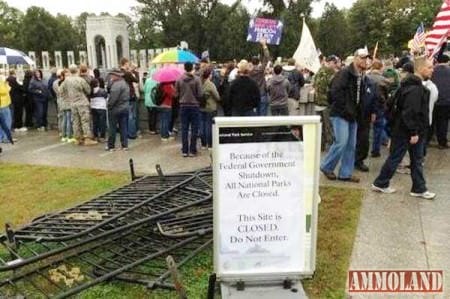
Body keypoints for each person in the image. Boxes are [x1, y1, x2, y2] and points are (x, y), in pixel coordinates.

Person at [372, 56, 436, 200]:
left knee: (414, 159)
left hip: (407, 129)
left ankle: (418, 187)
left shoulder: (409, 85)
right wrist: (414, 132)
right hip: (408, 131)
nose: (432, 70)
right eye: (430, 67)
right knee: (399, 158)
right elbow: (410, 112)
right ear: (420, 69)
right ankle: (381, 183)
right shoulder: (415, 89)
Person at [320, 48, 371, 183]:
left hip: (353, 115)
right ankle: (327, 166)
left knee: (350, 145)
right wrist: (346, 109)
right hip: (341, 114)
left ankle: (345, 174)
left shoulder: (362, 76)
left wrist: (359, 112)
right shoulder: (344, 73)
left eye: (366, 58)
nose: (365, 60)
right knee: (341, 142)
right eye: (362, 57)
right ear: (355, 58)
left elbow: (360, 96)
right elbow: (335, 93)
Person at [60, 64, 97, 146]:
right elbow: (88, 90)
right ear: (77, 70)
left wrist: (69, 97)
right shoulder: (80, 80)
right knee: (85, 120)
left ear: (69, 70)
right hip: (82, 102)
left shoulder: (66, 80)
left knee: (76, 121)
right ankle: (87, 138)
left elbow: (61, 90)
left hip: (73, 103)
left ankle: (78, 138)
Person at [175, 62, 203, 157]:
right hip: (194, 106)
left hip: (183, 106)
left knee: (184, 129)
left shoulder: (179, 79)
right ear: (192, 68)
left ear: (184, 68)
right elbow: (200, 94)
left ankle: (184, 150)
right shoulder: (197, 79)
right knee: (194, 128)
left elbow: (176, 94)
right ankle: (192, 150)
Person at [313, 55, 340, 151]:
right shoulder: (332, 73)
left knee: (320, 127)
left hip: (317, 102)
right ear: (330, 62)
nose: (336, 65)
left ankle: (321, 146)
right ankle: (332, 147)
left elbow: (314, 84)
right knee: (329, 126)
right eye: (335, 63)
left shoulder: (319, 71)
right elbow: (334, 89)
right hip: (327, 103)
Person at [367, 59, 390, 158]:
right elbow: (386, 93)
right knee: (378, 128)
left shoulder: (366, 77)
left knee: (365, 129)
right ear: (380, 67)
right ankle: (375, 150)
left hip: (367, 104)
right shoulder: (383, 80)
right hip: (380, 106)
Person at [106, 68, 130, 151]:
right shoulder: (125, 83)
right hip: (125, 108)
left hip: (115, 109)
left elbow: (113, 99)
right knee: (123, 127)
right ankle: (124, 145)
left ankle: (111, 146)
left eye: (112, 75)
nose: (111, 76)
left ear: (116, 76)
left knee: (112, 128)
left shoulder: (116, 85)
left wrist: (109, 106)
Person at [430, 54, 450, 149]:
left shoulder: (432, 70)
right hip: (446, 101)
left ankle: (427, 140)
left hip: (433, 100)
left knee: (431, 121)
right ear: (447, 61)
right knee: (443, 122)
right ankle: (442, 142)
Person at [200, 67, 220, 149]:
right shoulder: (211, 84)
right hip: (210, 107)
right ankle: (210, 144)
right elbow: (217, 97)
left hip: (201, 107)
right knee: (209, 126)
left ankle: (203, 144)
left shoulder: (199, 83)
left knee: (202, 125)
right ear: (209, 75)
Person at [249, 38, 270, 116]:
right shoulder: (260, 69)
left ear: (251, 62)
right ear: (259, 62)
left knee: (253, 117)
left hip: (252, 95)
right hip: (262, 94)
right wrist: (264, 45)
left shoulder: (248, 71)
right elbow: (267, 58)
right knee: (262, 116)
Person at [120, 58, 139, 139]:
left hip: (122, 95)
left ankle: (125, 133)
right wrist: (132, 72)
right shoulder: (127, 73)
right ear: (125, 63)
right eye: (128, 63)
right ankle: (132, 134)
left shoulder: (119, 72)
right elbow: (136, 80)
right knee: (131, 116)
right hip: (130, 95)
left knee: (124, 116)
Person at [90, 78, 108, 142]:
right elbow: (106, 97)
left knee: (95, 122)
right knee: (102, 123)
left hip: (93, 108)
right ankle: (102, 137)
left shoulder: (90, 91)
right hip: (101, 108)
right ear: (98, 83)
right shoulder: (102, 90)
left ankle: (95, 136)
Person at [143, 66, 159, 134]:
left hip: (147, 100)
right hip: (154, 100)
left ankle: (150, 129)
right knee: (154, 116)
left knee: (150, 115)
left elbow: (144, 89)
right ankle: (153, 129)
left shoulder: (147, 80)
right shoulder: (157, 81)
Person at [0, 69, 14, 145]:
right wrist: (5, 84)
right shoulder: (1, 81)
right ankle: (6, 138)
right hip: (3, 104)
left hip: (3, 104)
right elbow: (4, 91)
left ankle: (2, 137)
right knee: (7, 121)